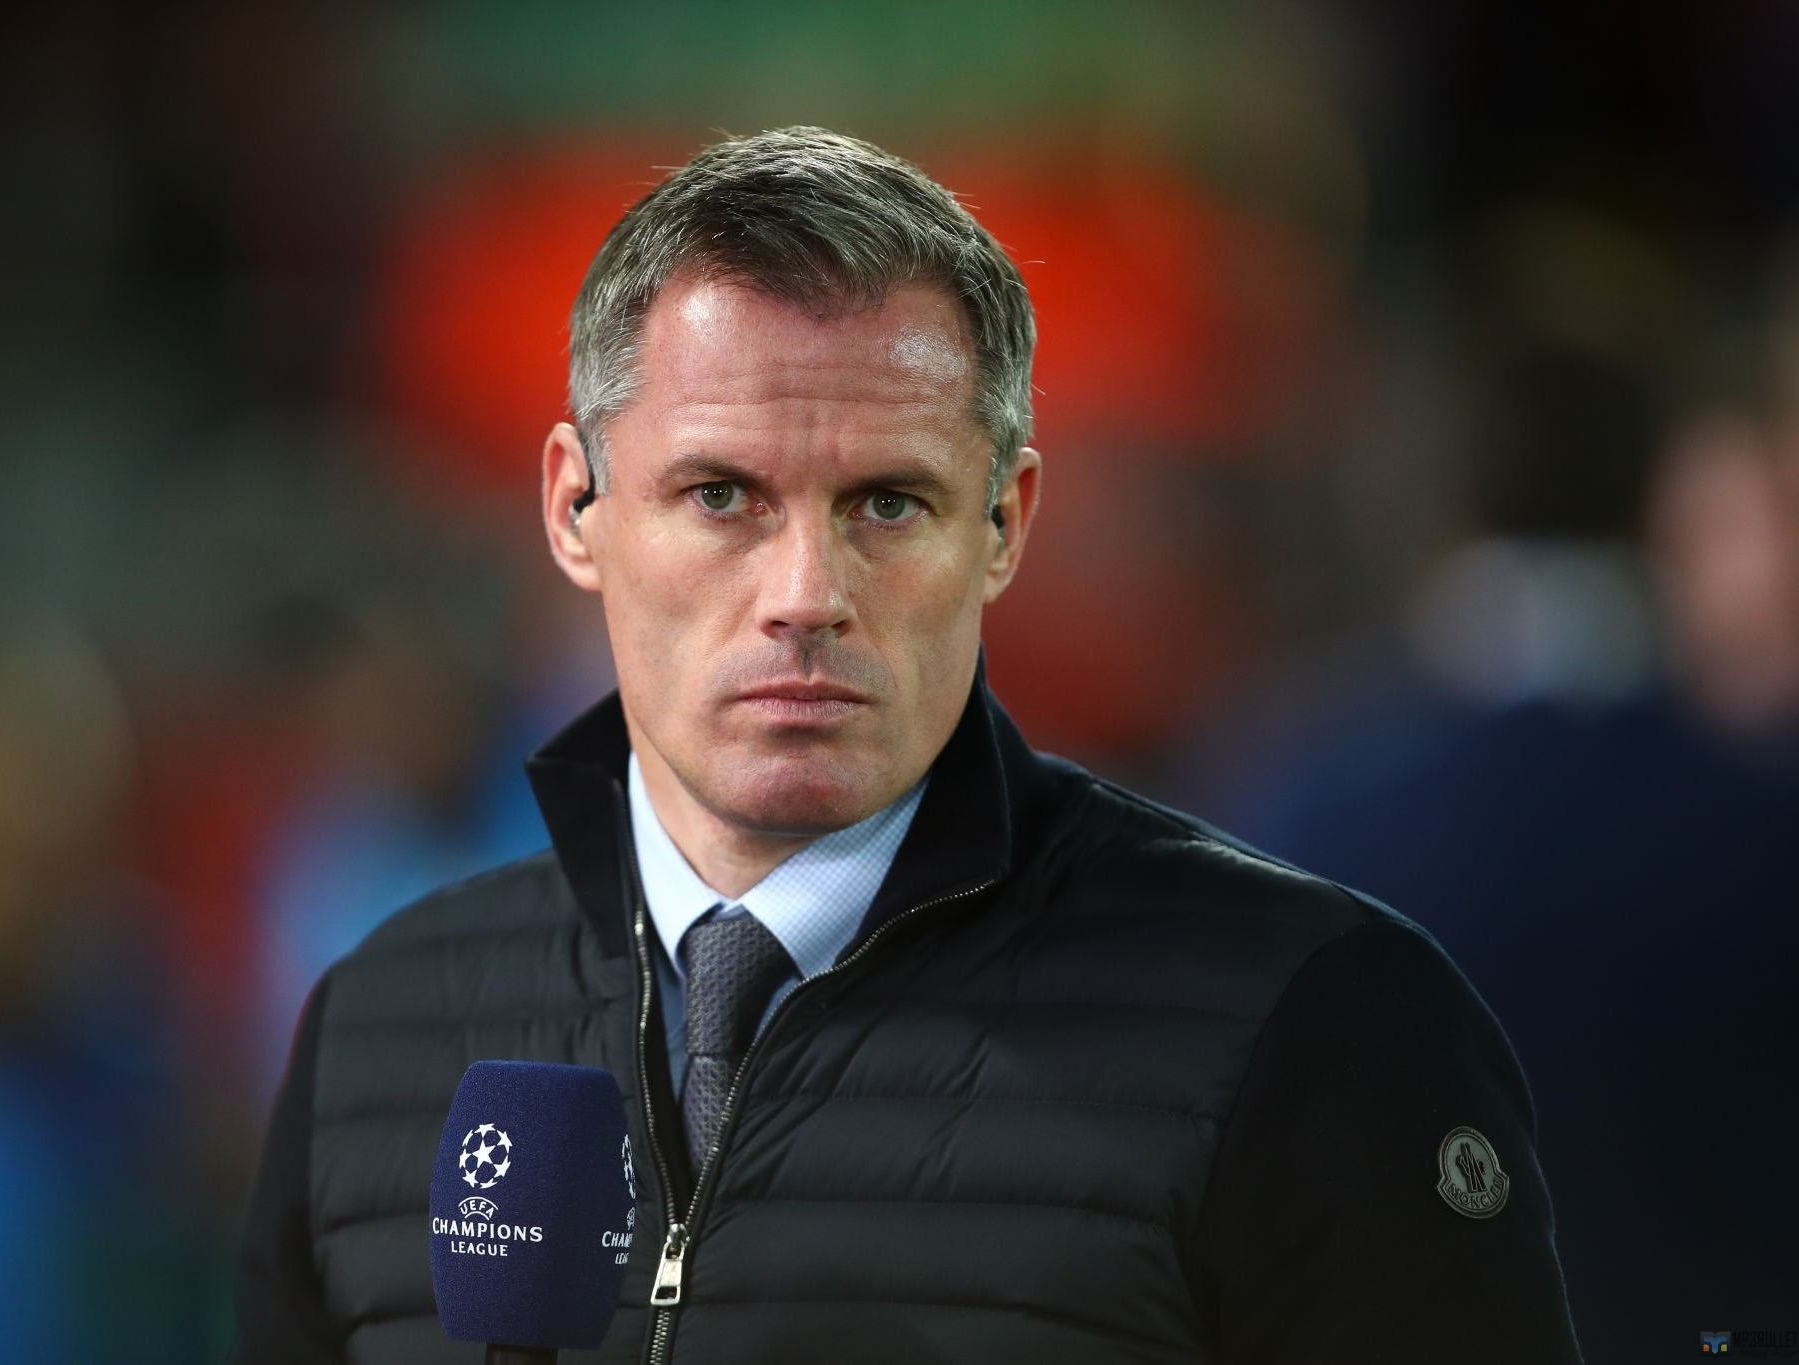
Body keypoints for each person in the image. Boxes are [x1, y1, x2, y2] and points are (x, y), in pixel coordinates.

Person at [232, 127, 1583, 1364]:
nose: (805, 593)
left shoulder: (1316, 1021)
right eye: (722, 495)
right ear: (574, 508)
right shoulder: (377, 1033)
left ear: (1004, 523)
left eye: (887, 502)